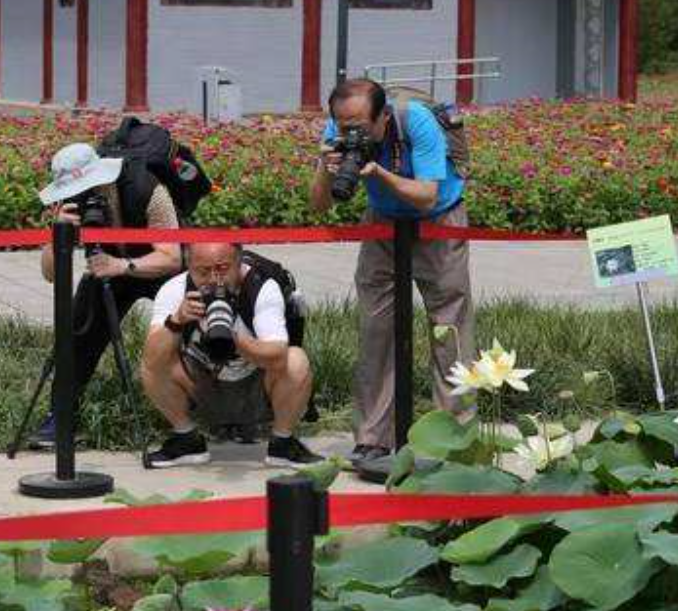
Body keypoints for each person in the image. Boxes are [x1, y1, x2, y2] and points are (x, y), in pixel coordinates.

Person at [309, 79, 475, 464]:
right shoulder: (338, 130)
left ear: (383, 116)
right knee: (376, 330)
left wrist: (376, 173)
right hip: (382, 222)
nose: (351, 133)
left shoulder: (416, 121)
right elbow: (318, 206)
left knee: (449, 330)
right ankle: (372, 438)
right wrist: (324, 168)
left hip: (439, 220)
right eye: (343, 124)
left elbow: (427, 193)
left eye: (361, 127)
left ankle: (453, 439)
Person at [29, 141, 183, 449]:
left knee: (190, 323)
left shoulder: (147, 188)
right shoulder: (69, 205)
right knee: (78, 329)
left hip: (156, 267)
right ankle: (61, 416)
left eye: (90, 188)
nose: (87, 196)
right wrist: (57, 235)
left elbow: (172, 257)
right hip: (106, 266)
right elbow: (50, 273)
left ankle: (202, 409)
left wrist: (123, 265)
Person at [141, 243, 322, 468]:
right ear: (189, 267)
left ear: (239, 263)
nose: (213, 279)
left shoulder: (261, 287)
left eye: (222, 268)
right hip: (202, 388)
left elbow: (277, 356)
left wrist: (235, 341)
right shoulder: (175, 290)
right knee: (156, 361)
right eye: (202, 271)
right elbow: (150, 360)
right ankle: (186, 440)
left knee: (296, 360)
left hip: (256, 390)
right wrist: (176, 321)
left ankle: (282, 445)